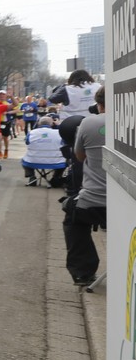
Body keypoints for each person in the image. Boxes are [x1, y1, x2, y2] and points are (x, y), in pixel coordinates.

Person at [67, 88, 106, 286]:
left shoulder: (88, 122)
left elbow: (80, 156)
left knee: (72, 217)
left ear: (99, 104)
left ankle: (84, 272)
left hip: (95, 200)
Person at [22, 113, 66, 187]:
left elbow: (27, 142)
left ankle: (32, 176)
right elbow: (65, 142)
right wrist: (59, 125)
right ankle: (56, 177)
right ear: (52, 124)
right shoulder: (59, 133)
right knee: (66, 161)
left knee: (24, 160)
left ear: (38, 124)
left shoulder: (32, 133)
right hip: (56, 162)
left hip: (33, 161)